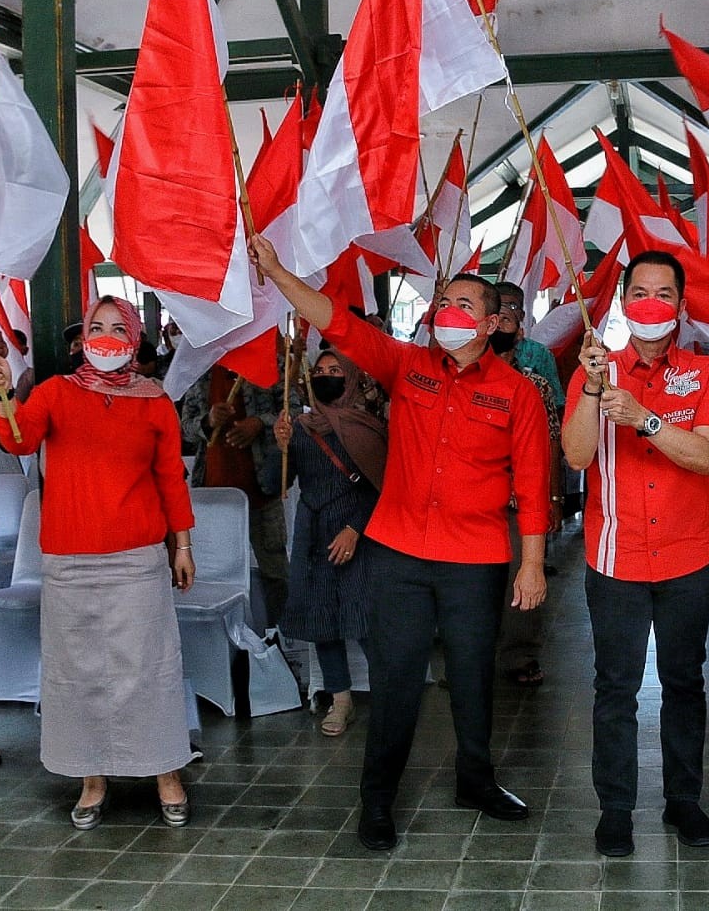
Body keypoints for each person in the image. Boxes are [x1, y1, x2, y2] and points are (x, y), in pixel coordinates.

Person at [249, 235, 551, 853]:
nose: (450, 313)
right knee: (396, 679)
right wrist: (279, 271)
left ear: (492, 323)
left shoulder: (516, 392)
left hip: (476, 558)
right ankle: (377, 801)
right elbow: (336, 321)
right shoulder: (407, 365)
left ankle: (476, 780)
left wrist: (534, 565)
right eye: (444, 302)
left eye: (465, 305)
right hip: (401, 554)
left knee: (472, 678)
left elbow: (535, 482)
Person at [0, 296, 197, 828]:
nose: (104, 335)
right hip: (69, 561)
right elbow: (16, 435)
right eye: (95, 326)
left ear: (135, 339)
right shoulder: (54, 392)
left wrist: (183, 546)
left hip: (139, 559)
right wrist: (1, 390)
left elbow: (171, 477)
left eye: (116, 326)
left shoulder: (154, 401)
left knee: (149, 668)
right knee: (75, 672)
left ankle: (165, 770)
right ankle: (90, 777)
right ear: (81, 340)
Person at [563, 250, 709, 857]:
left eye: (664, 294)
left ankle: (683, 800)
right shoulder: (596, 370)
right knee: (615, 688)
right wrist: (590, 387)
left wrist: (644, 418)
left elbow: (706, 456)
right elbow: (578, 456)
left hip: (688, 558)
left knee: (685, 682)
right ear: (622, 302)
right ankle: (615, 808)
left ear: (681, 307)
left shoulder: (708, 375)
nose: (651, 304)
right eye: (639, 291)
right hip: (616, 562)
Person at [273, 349, 386, 737]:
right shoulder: (302, 427)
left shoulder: (369, 426)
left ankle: (392, 696)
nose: (326, 375)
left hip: (361, 534)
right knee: (323, 619)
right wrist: (281, 448)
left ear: (352, 376)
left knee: (369, 619)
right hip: (314, 535)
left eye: (335, 370)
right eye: (320, 370)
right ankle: (341, 698)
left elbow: (382, 487)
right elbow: (280, 484)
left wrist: (355, 529)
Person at [490, 285, 563, 688]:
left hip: (522, 501)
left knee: (524, 577)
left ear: (520, 328)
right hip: (475, 502)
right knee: (474, 587)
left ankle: (520, 656)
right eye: (494, 314)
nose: (501, 322)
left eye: (508, 316)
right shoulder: (462, 378)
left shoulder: (536, 383)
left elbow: (552, 440)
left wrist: (553, 497)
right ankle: (473, 656)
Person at [178, 366, 292, 624]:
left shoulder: (268, 363)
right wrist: (207, 422)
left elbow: (293, 410)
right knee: (216, 573)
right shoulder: (202, 366)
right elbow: (185, 426)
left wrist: (260, 423)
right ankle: (226, 640)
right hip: (214, 495)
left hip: (263, 490)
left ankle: (281, 636)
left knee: (275, 571)